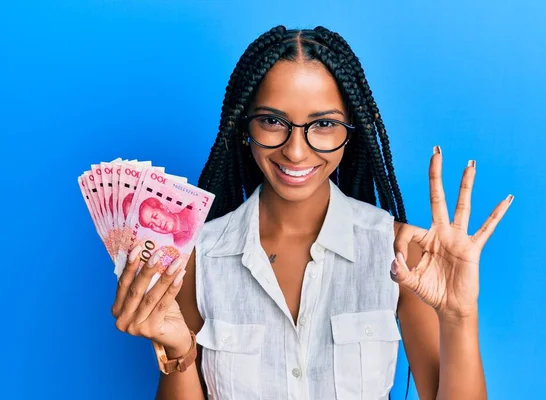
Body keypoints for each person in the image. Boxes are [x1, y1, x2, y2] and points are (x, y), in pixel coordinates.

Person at [111, 25, 513, 400]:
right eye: (272, 121)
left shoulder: (401, 253)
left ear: (350, 131)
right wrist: (177, 354)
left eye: (322, 124)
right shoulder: (197, 261)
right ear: (244, 126)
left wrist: (460, 315)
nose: (296, 151)